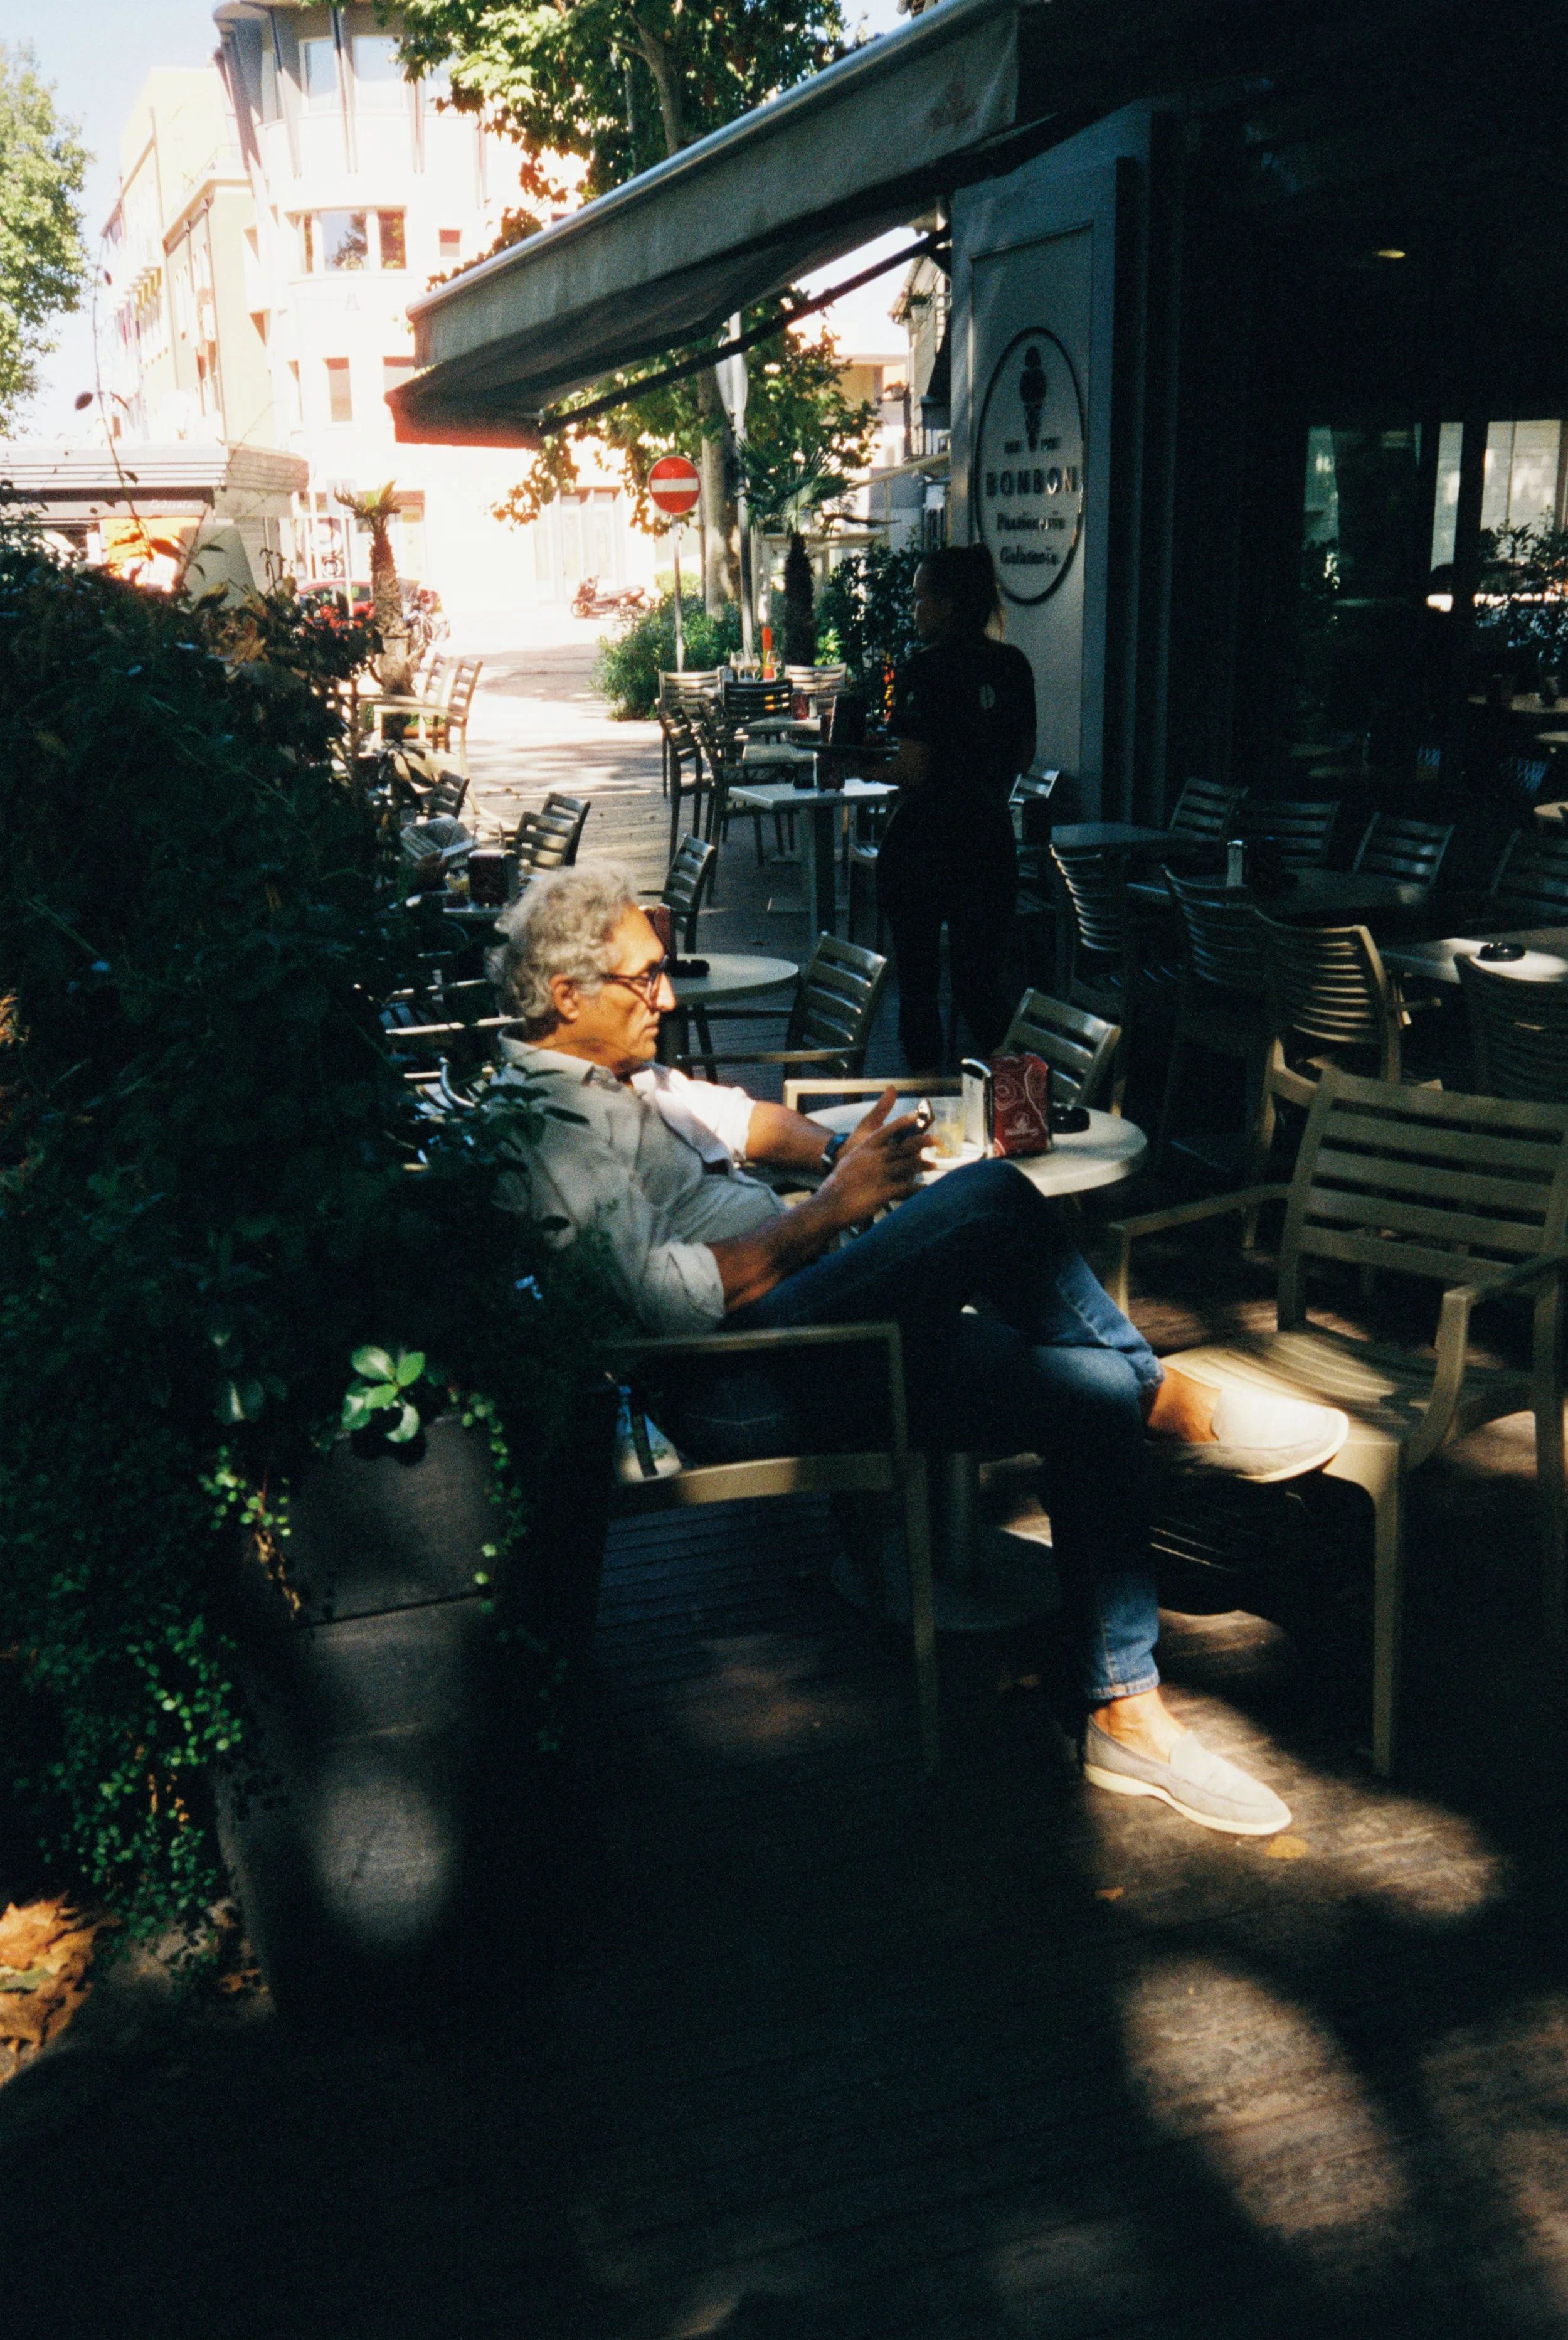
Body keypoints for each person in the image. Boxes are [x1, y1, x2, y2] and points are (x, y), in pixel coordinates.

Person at [487, 866, 1350, 1838]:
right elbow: (660, 1302)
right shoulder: (547, 1126)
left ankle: (1127, 1712)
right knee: (988, 1202)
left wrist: (842, 1154)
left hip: (808, 1322)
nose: (670, 996)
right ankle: (1176, 1405)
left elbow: (739, 1118)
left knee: (1091, 1386)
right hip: (734, 1378)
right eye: (645, 980)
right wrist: (832, 1211)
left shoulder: (622, 1077)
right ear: (568, 996)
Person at [833, 544, 1035, 1070]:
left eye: (921, 599)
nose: (914, 609)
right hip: (989, 843)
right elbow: (1023, 754)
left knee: (919, 992)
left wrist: (859, 766)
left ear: (948, 605)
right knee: (981, 990)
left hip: (924, 849)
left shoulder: (923, 670)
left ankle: (927, 1107)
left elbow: (914, 770)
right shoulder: (1014, 665)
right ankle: (1022, 1099)